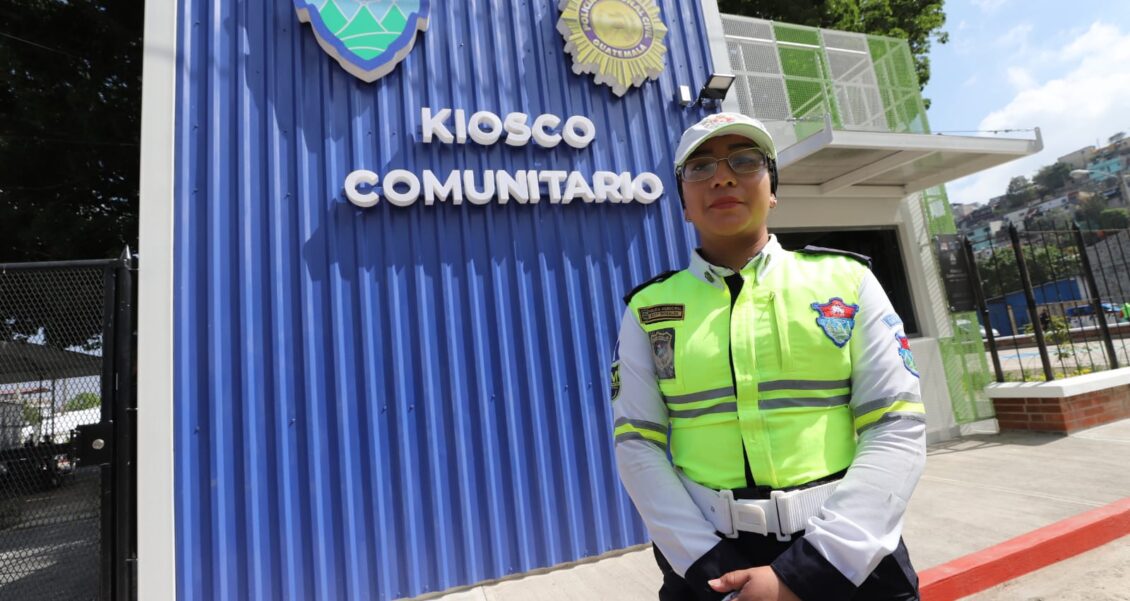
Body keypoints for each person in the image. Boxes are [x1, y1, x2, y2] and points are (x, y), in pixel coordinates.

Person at [610, 113, 926, 601]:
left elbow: (896, 425)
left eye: (745, 160)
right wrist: (708, 568)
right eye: (700, 167)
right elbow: (637, 443)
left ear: (773, 189)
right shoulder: (647, 309)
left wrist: (809, 571)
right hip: (707, 564)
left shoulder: (848, 282)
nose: (722, 176)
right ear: (684, 205)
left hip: (848, 560)